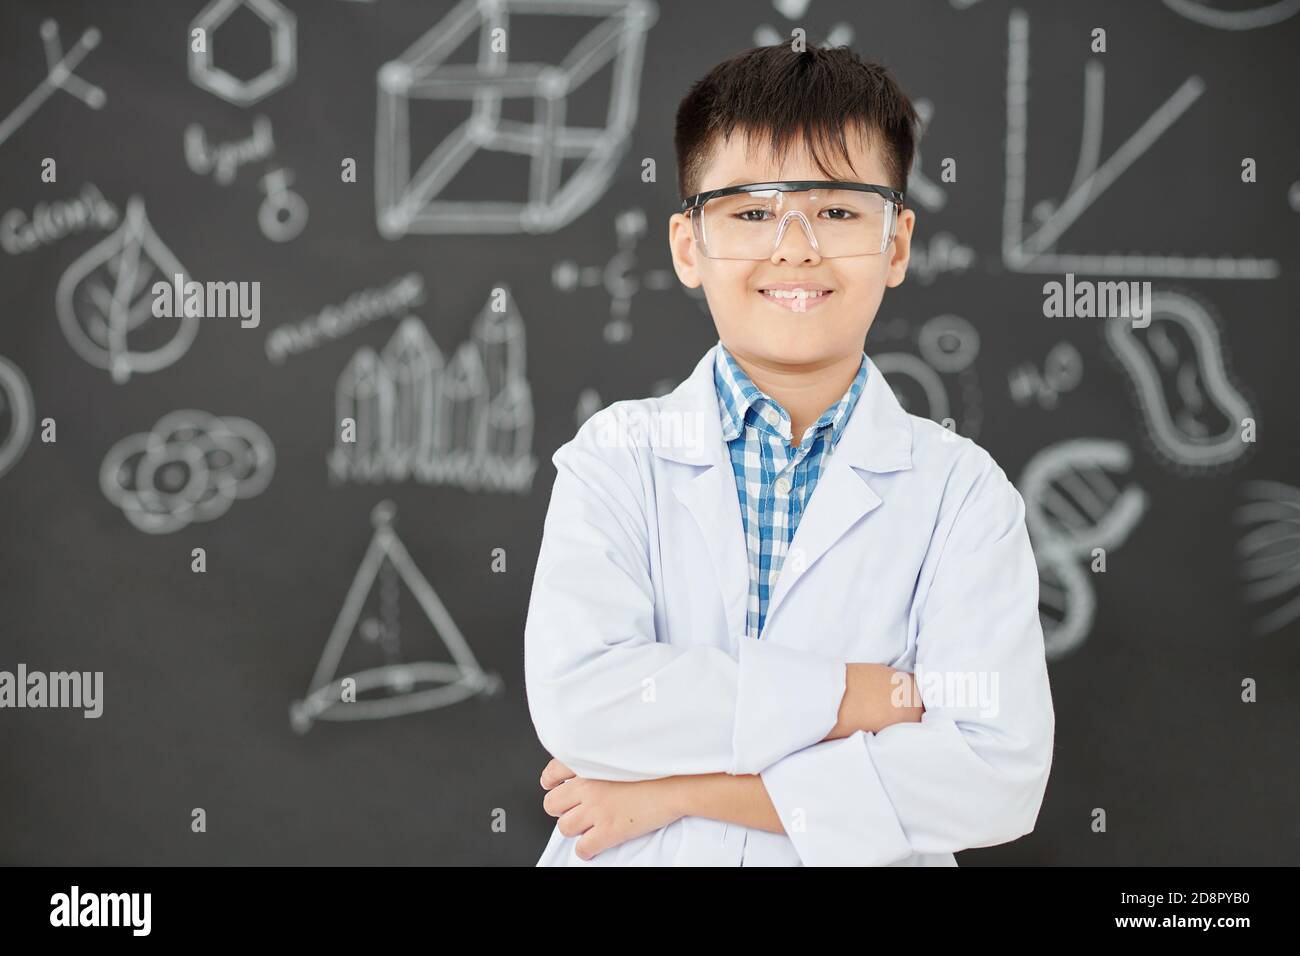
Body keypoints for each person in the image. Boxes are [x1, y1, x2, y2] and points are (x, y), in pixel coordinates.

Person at [523, 44, 1055, 866]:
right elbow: (584, 703)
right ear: (688, 245)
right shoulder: (617, 455)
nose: (796, 248)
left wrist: (672, 793)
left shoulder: (963, 493)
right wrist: (859, 695)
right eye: (750, 211)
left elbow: (994, 773)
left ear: (898, 242)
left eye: (839, 211)